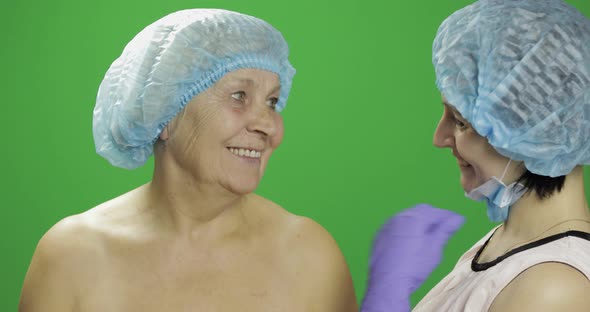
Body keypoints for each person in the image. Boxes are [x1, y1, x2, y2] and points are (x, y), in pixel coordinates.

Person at [19, 9, 357, 311]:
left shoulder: (310, 257)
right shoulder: (72, 257)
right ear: (164, 111)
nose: (269, 124)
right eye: (239, 96)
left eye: (272, 101)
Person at [363, 0, 590, 311]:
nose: (439, 138)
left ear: (528, 127)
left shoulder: (552, 288)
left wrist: (385, 298)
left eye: (460, 122)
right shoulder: (505, 247)